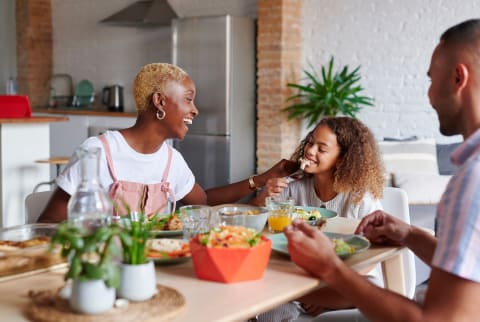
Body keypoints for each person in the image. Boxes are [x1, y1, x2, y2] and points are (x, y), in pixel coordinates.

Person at [284, 18, 480, 321]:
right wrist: (409, 234)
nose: (429, 95)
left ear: (458, 78)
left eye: (431, 79)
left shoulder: (472, 180)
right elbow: (471, 263)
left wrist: (331, 268)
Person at [38, 63, 295, 222]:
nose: (195, 110)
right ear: (160, 102)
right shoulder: (98, 151)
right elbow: (50, 223)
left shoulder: (170, 159)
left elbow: (203, 202)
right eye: (188, 99)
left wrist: (260, 180)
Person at [254, 116, 386, 320]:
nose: (310, 150)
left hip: (347, 283)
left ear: (342, 158)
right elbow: (257, 228)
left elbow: (374, 257)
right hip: (297, 279)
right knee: (264, 303)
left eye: (322, 149)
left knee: (370, 290)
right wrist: (264, 196)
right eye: (310, 141)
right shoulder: (291, 187)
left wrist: (328, 289)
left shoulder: (360, 199)